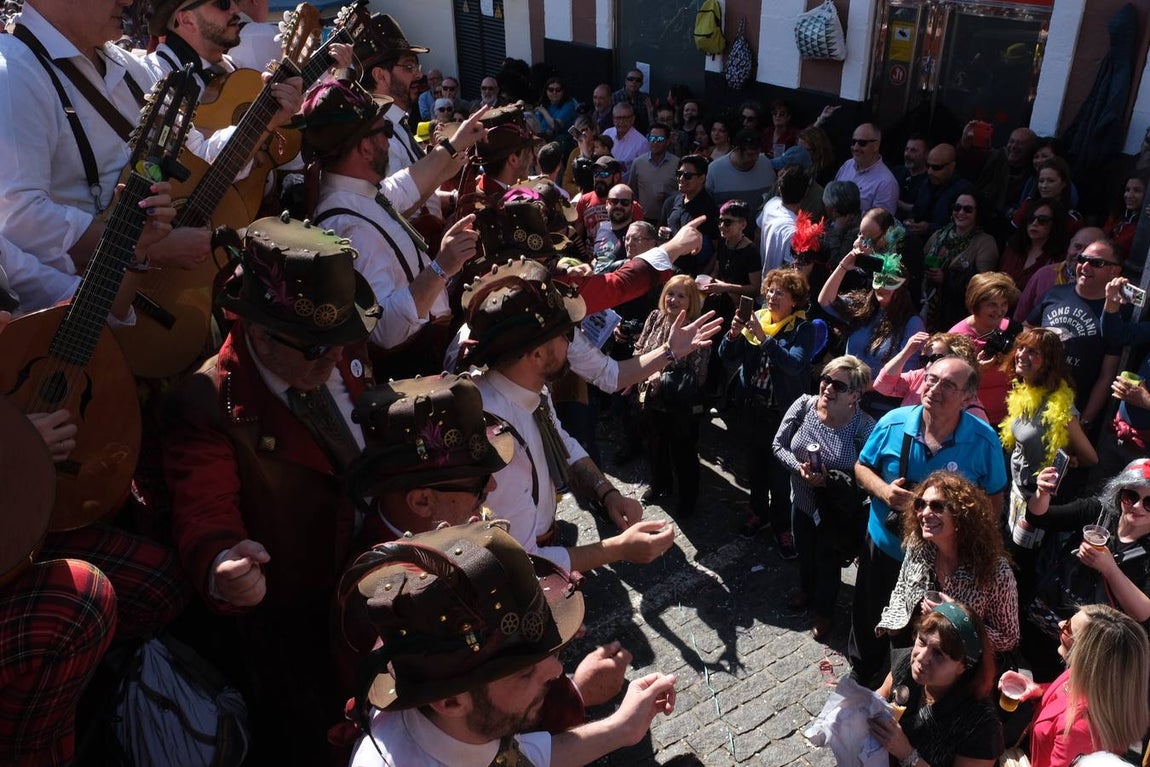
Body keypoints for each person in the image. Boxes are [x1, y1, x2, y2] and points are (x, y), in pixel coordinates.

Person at [162, 216, 381, 762]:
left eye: (341, 338)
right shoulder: (208, 402)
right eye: (315, 349)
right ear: (258, 331)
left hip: (377, 574)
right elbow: (203, 507)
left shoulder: (330, 345)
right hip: (300, 616)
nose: (333, 358)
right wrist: (222, 564)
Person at [340, 521, 678, 767]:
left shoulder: (460, 722)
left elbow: (514, 756)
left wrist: (621, 728)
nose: (558, 669)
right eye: (523, 671)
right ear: (450, 701)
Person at [458, 259, 678, 572]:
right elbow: (523, 560)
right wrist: (619, 549)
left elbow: (563, 445)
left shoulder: (531, 389)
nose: (570, 342)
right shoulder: (496, 439)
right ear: (536, 355)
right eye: (565, 335)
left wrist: (607, 493)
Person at [297, 76, 485, 376]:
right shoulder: (347, 227)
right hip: (412, 370)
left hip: (428, 349)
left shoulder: (358, 192)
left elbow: (407, 183)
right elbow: (383, 330)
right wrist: (441, 267)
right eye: (384, 130)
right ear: (365, 148)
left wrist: (455, 143)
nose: (389, 138)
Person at [851, 356, 1008, 688]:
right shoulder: (893, 422)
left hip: (939, 562)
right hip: (886, 544)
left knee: (921, 626)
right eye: (931, 378)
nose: (934, 388)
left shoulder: (983, 440)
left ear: (968, 397)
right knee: (869, 611)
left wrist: (971, 544)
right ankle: (863, 669)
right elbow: (862, 466)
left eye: (948, 385)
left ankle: (905, 682)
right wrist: (884, 492)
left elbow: (995, 498)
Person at [772, 355, 875, 640]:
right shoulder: (804, 405)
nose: (827, 387)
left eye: (838, 385)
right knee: (804, 551)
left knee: (828, 561)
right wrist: (799, 470)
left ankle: (825, 611)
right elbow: (778, 445)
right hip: (802, 502)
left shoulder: (865, 428)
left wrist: (833, 480)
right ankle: (806, 590)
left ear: (855, 395)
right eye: (826, 379)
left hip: (836, 513)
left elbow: (871, 475)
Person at [719, 269, 818, 554]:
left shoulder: (802, 328)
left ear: (795, 301)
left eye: (780, 293)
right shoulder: (758, 320)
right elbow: (727, 356)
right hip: (753, 410)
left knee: (780, 474)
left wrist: (764, 339)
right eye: (770, 291)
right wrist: (734, 334)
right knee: (755, 468)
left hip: (782, 415)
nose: (772, 297)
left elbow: (795, 364)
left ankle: (782, 526)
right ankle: (757, 512)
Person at [878, 471, 1019, 659]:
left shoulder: (995, 571)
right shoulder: (918, 544)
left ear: (961, 516)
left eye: (936, 506)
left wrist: (956, 619)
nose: (925, 513)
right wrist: (893, 627)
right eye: (920, 504)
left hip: (957, 668)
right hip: (914, 650)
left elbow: (1008, 639)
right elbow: (902, 586)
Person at [1001, 605, 1149, 767]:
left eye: (1068, 627)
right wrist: (1039, 690)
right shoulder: (1095, 679)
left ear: (1085, 654)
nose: (1060, 624)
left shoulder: (1079, 732)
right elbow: (1068, 693)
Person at [870, 602, 1004, 767]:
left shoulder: (981, 725)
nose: (921, 658)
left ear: (963, 666)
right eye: (922, 641)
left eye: (939, 653)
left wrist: (906, 753)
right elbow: (878, 697)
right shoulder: (906, 666)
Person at [1000, 327, 1096, 555]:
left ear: (1048, 362)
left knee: (1021, 561)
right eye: (1021, 348)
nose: (1021, 354)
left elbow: (1090, 457)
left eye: (1032, 351)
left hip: (1038, 499)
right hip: (1016, 491)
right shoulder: (1024, 391)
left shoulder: (1060, 408)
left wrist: (1072, 461)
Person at [1027, 459, 1150, 627]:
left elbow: (1144, 614)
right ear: (1119, 492)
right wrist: (1042, 492)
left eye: (1149, 503)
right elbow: (1039, 517)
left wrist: (1109, 569)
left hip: (1092, 640)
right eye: (1131, 496)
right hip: (1048, 616)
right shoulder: (1097, 512)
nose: (1137, 506)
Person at [1026, 238, 1129, 435]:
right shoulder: (1055, 293)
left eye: (1096, 263)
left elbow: (1107, 375)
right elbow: (1027, 327)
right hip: (1030, 398)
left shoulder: (1117, 315)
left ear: (1114, 272)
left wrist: (1085, 422)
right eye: (1082, 259)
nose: (1085, 266)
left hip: (1070, 416)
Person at [633, 276, 709, 516]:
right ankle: (659, 485)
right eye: (670, 293)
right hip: (650, 397)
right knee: (655, 445)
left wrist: (660, 373)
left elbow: (698, 373)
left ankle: (688, 501)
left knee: (683, 453)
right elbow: (640, 347)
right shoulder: (655, 317)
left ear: (691, 301)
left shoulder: (696, 328)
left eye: (681, 295)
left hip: (679, 404)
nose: (673, 299)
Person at [819, 247, 924, 419]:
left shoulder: (912, 324)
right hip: (845, 397)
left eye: (889, 281)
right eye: (879, 279)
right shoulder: (863, 309)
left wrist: (864, 386)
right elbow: (825, 301)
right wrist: (845, 265)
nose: (882, 286)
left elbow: (907, 374)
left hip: (879, 407)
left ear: (902, 288)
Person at [946, 272, 1019, 426]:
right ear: (976, 303)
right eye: (992, 304)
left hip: (1008, 420)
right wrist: (978, 371)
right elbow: (948, 385)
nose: (1000, 311)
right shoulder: (957, 337)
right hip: (970, 420)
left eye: (1004, 303)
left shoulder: (1012, 328)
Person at [920, 192, 1000, 332]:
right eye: (957, 208)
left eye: (968, 209)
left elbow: (983, 285)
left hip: (956, 313)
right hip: (926, 304)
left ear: (978, 213)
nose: (961, 212)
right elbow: (921, 260)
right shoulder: (939, 235)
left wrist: (946, 278)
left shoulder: (985, 243)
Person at [873, 331, 988, 420]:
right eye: (925, 359)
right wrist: (906, 352)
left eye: (935, 359)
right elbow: (881, 386)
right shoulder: (920, 375)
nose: (928, 365)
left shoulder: (973, 410)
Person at [1013, 226, 1103, 324]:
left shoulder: (1105, 283)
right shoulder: (1044, 275)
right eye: (1077, 246)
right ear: (1069, 246)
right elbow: (1020, 318)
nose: (1081, 254)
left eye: (1089, 250)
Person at [660, 154, 719, 276]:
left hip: (692, 273)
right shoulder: (671, 202)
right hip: (668, 268)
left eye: (687, 176)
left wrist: (704, 275)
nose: (681, 179)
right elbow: (660, 231)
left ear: (702, 178)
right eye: (679, 174)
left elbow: (718, 248)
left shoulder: (710, 209)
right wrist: (660, 233)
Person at [999, 199, 1069, 294]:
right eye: (1031, 219)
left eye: (1042, 220)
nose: (1035, 223)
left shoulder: (1059, 260)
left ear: (1055, 224)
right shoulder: (1013, 248)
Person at [905, 143, 973, 240]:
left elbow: (962, 227)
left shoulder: (964, 191)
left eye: (936, 167)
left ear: (952, 166)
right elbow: (917, 209)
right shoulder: (927, 183)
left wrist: (929, 228)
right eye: (928, 166)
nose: (930, 171)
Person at [832, 123, 899, 215]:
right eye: (853, 142)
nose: (855, 147)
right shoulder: (848, 165)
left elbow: (881, 224)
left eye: (862, 143)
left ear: (876, 145)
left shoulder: (886, 183)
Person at [705, 128, 777, 211]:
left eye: (757, 153)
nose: (756, 158)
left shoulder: (766, 164)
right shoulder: (715, 170)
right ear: (737, 150)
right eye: (750, 154)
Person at [1012, 157, 1082, 235]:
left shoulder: (1072, 220)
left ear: (1063, 183)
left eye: (1051, 181)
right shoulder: (1027, 206)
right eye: (1041, 181)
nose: (1044, 186)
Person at [758, 164, 807, 273]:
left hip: (768, 283)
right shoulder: (795, 231)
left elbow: (758, 232)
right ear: (805, 193)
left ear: (779, 189)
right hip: (778, 287)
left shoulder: (771, 205)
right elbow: (792, 271)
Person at [630, 122, 679, 223]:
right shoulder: (638, 163)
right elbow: (632, 191)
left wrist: (670, 196)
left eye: (660, 139)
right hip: (643, 219)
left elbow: (683, 192)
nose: (655, 142)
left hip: (669, 219)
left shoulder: (677, 163)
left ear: (668, 141)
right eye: (652, 139)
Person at [1102, 173, 1145, 259]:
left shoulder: (1146, 223)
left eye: (1137, 191)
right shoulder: (1116, 216)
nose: (1129, 195)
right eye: (1127, 190)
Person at [603, 102, 648, 181]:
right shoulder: (607, 133)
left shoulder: (642, 143)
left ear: (633, 119)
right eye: (618, 118)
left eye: (625, 118)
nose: (621, 122)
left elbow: (643, 173)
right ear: (613, 119)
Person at [893, 135, 928, 218]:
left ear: (926, 154)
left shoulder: (929, 180)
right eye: (906, 149)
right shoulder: (896, 172)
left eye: (913, 151)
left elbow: (921, 209)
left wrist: (894, 200)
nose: (907, 154)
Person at [612, 68, 654, 135]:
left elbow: (650, 122)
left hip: (640, 135)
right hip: (619, 134)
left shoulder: (645, 98)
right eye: (631, 79)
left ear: (641, 83)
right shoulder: (614, 97)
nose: (634, 82)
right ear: (626, 81)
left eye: (638, 80)